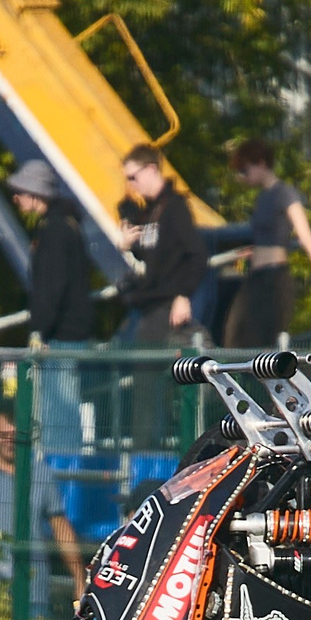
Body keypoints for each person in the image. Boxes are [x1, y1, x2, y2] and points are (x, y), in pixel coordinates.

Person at [6, 158, 95, 467]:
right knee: (58, 415)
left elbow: (51, 288)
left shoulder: (55, 230)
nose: (15, 198)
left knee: (59, 417)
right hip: (65, 334)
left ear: (35, 193)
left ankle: (61, 483)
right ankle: (61, 479)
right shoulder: (64, 225)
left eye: (20, 191)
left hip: (61, 337)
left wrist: (38, 331)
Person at [0, 410, 86, 612]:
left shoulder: (41, 474)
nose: (10, 442)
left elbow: (60, 527)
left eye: (15, 436)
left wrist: (79, 579)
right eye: (4, 435)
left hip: (33, 594)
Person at [117, 144, 203, 450]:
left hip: (168, 306)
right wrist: (130, 246)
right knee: (144, 383)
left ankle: (162, 449)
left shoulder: (175, 207)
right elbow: (157, 256)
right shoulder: (152, 211)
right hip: (151, 306)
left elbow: (195, 254)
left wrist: (183, 294)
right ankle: (145, 451)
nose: (131, 185)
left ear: (151, 170)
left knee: (164, 381)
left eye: (134, 177)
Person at [225, 140, 311, 349]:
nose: (243, 177)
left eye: (244, 170)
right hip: (255, 278)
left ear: (261, 163)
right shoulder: (261, 198)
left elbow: (304, 235)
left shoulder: (284, 193)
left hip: (273, 279)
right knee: (235, 334)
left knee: (259, 341)